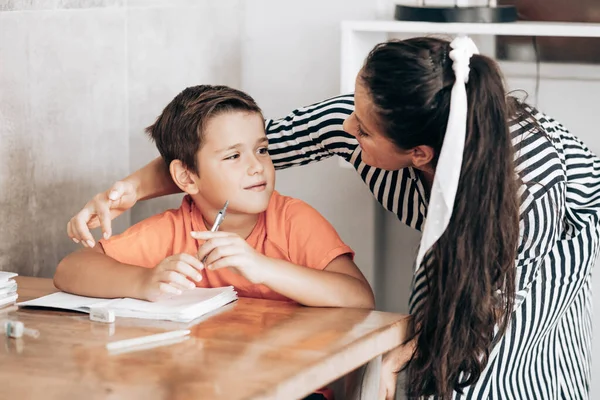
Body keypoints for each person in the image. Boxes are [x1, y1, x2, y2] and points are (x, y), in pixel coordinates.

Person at [67, 37, 599, 400]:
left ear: (417, 155)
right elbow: (221, 151)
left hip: (541, 260)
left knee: (491, 378)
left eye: (364, 130)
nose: (347, 126)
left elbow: (493, 302)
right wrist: (126, 191)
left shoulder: (531, 188)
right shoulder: (366, 116)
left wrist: (420, 345)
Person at [56, 85, 375, 399]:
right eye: (234, 155)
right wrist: (143, 281)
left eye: (262, 150)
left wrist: (262, 267)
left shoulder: (294, 220)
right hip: (200, 387)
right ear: (186, 177)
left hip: (293, 389)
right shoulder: (175, 230)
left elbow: (359, 297)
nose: (256, 166)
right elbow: (71, 268)